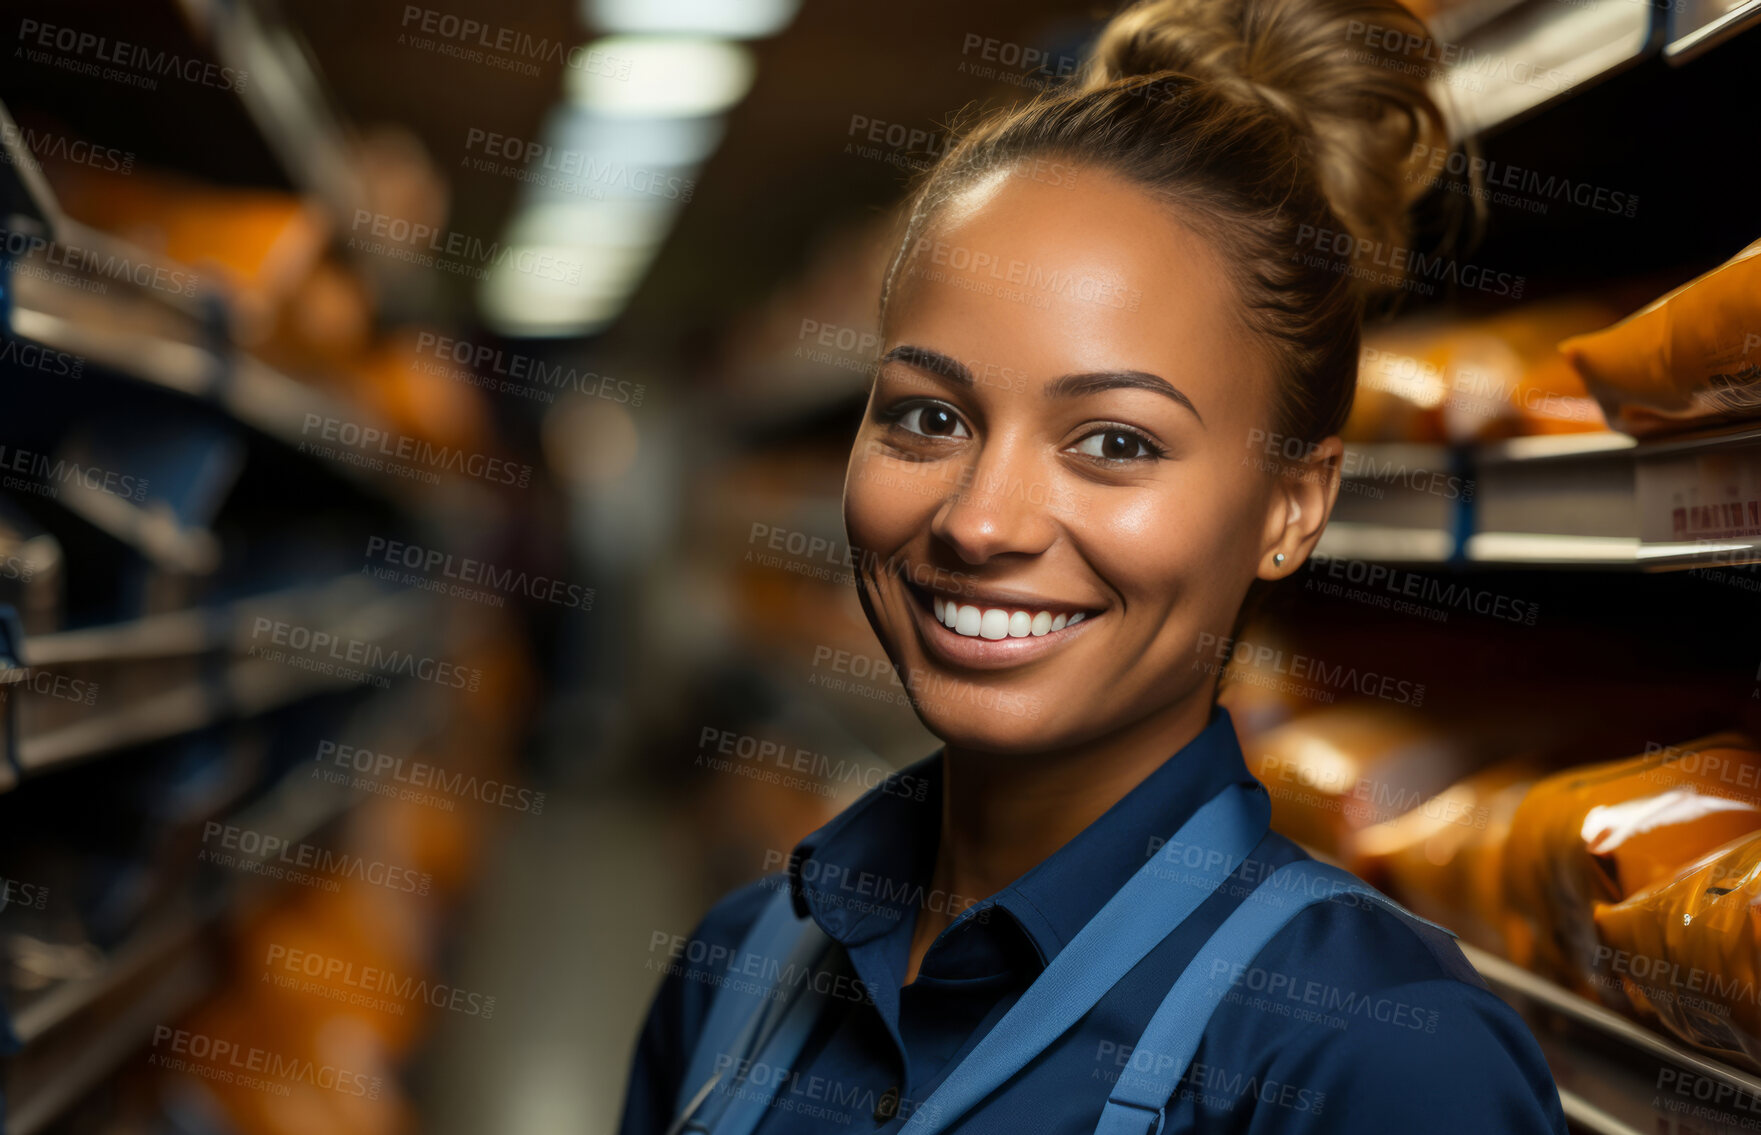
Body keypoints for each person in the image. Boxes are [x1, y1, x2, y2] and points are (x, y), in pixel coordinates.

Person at [619, 0, 1570, 1130]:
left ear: (1293, 503)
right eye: (928, 418)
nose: (981, 522)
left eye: (1114, 442)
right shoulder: (737, 969)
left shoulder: (1377, 1063)